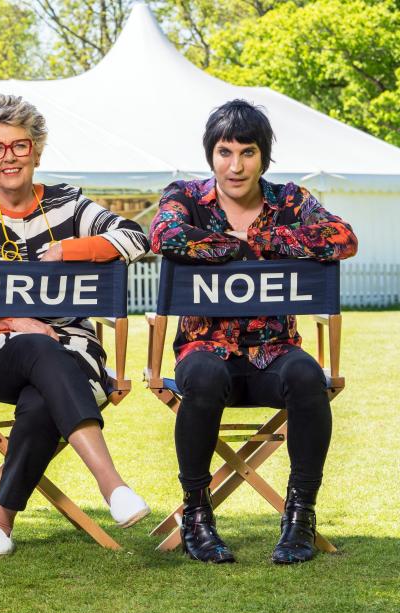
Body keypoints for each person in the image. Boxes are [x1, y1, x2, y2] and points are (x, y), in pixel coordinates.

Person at [0, 94, 151, 558]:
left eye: (20, 146)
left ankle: (0, 522)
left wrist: (71, 250)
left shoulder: (68, 204)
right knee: (40, 349)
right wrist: (13, 320)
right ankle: (112, 485)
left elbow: (137, 237)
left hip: (73, 348)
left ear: (37, 150)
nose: (9, 157)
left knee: (40, 397)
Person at [150, 99, 358, 564]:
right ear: (211, 155)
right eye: (225, 152)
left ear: (263, 156)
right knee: (202, 377)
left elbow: (343, 238)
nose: (236, 165)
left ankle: (300, 513)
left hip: (275, 351)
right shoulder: (185, 196)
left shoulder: (290, 201)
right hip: (206, 350)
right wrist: (235, 245)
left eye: (247, 152)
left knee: (308, 377)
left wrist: (258, 241)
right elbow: (164, 236)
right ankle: (197, 513)